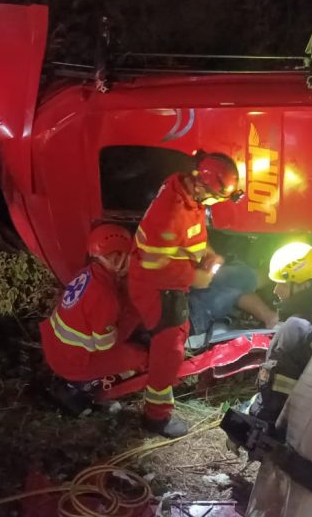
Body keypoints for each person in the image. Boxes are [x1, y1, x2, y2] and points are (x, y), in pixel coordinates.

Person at [128, 151, 276, 438]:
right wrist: (200, 278)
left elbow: (189, 233)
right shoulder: (169, 213)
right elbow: (157, 270)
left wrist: (207, 255)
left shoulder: (184, 190)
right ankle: (155, 418)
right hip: (155, 288)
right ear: (201, 186)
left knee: (233, 280)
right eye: (215, 198)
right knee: (170, 352)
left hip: (174, 278)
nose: (214, 203)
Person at [39, 224, 149, 412]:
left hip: (57, 350)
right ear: (115, 257)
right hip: (75, 363)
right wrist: (135, 315)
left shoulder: (88, 273)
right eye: (129, 255)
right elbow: (106, 345)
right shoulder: (104, 297)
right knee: (141, 356)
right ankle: (85, 387)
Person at [250, 242, 312, 427]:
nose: (276, 290)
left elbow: (273, 397)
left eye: (281, 283)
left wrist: (251, 417)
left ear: (300, 284)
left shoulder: (295, 329)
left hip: (298, 429)